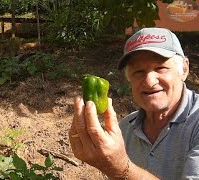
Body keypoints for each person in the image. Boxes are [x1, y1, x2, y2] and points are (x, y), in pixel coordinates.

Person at [69, 27, 199, 179]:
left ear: (184, 69)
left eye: (160, 68)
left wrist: (120, 167)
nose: (149, 82)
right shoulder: (124, 129)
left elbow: (120, 170)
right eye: (138, 72)